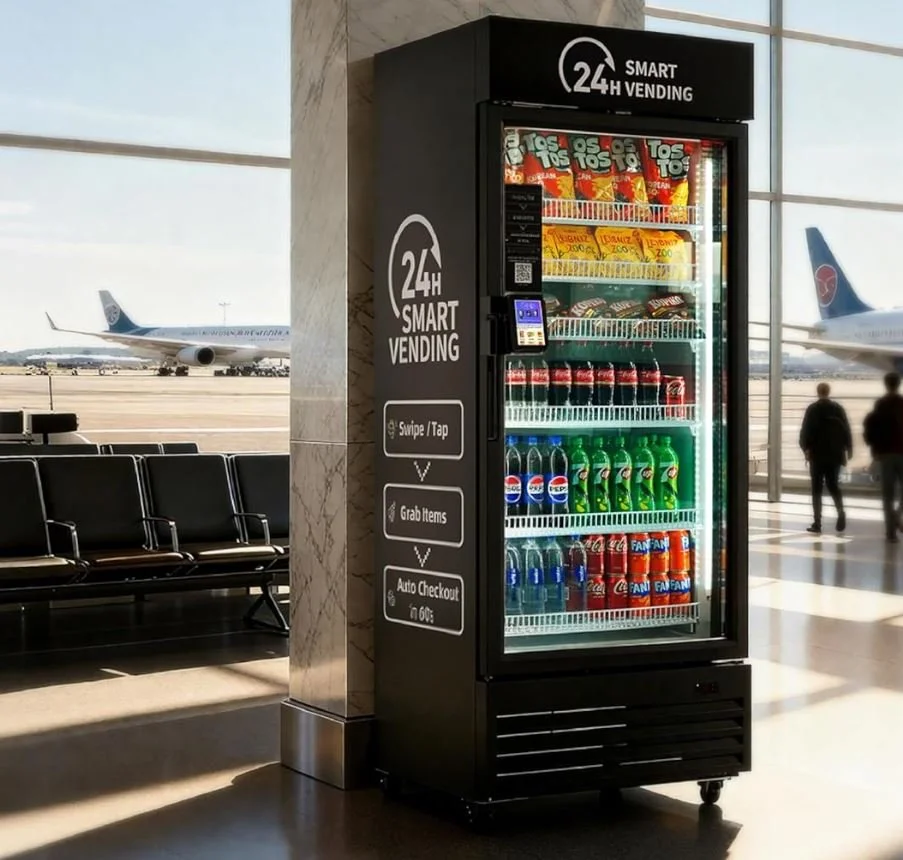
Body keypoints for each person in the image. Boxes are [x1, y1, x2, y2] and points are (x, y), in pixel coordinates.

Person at [799, 382, 852, 534]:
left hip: (817, 454)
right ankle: (840, 512)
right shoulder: (838, 409)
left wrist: (805, 449)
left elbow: (805, 432)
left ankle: (817, 522)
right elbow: (846, 429)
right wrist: (849, 449)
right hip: (835, 454)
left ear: (818, 392)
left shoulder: (813, 409)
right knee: (833, 485)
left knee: (816, 488)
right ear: (829, 392)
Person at [864, 371, 903, 543]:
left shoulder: (880, 405)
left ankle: (890, 532)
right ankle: (897, 516)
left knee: (887, 494)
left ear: (886, 384)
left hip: (885, 454)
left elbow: (870, 429)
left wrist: (875, 450)